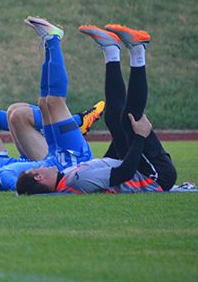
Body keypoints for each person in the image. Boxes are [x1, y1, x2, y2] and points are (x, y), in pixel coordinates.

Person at [17, 23, 177, 194]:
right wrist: (139, 136)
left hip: (135, 167)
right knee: (129, 118)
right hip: (157, 176)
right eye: (37, 170)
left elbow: (111, 162)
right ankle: (138, 49)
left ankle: (111, 50)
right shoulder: (77, 181)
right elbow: (125, 173)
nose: (41, 166)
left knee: (114, 119)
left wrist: (119, 133)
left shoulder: (67, 176)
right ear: (38, 177)